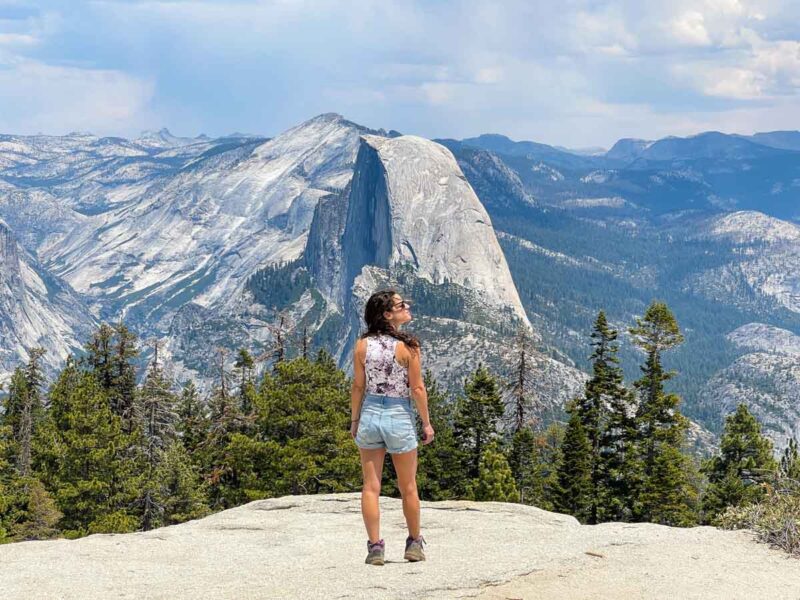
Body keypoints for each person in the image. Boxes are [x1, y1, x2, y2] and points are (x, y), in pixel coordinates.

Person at [350, 289, 435, 566]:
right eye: (401, 305)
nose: (407, 307)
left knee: (371, 487)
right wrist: (426, 422)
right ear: (387, 315)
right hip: (399, 414)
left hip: (371, 414)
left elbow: (358, 386)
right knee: (408, 486)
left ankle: (375, 547)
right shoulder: (408, 347)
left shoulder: (362, 345)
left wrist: (355, 420)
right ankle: (413, 544)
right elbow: (418, 389)